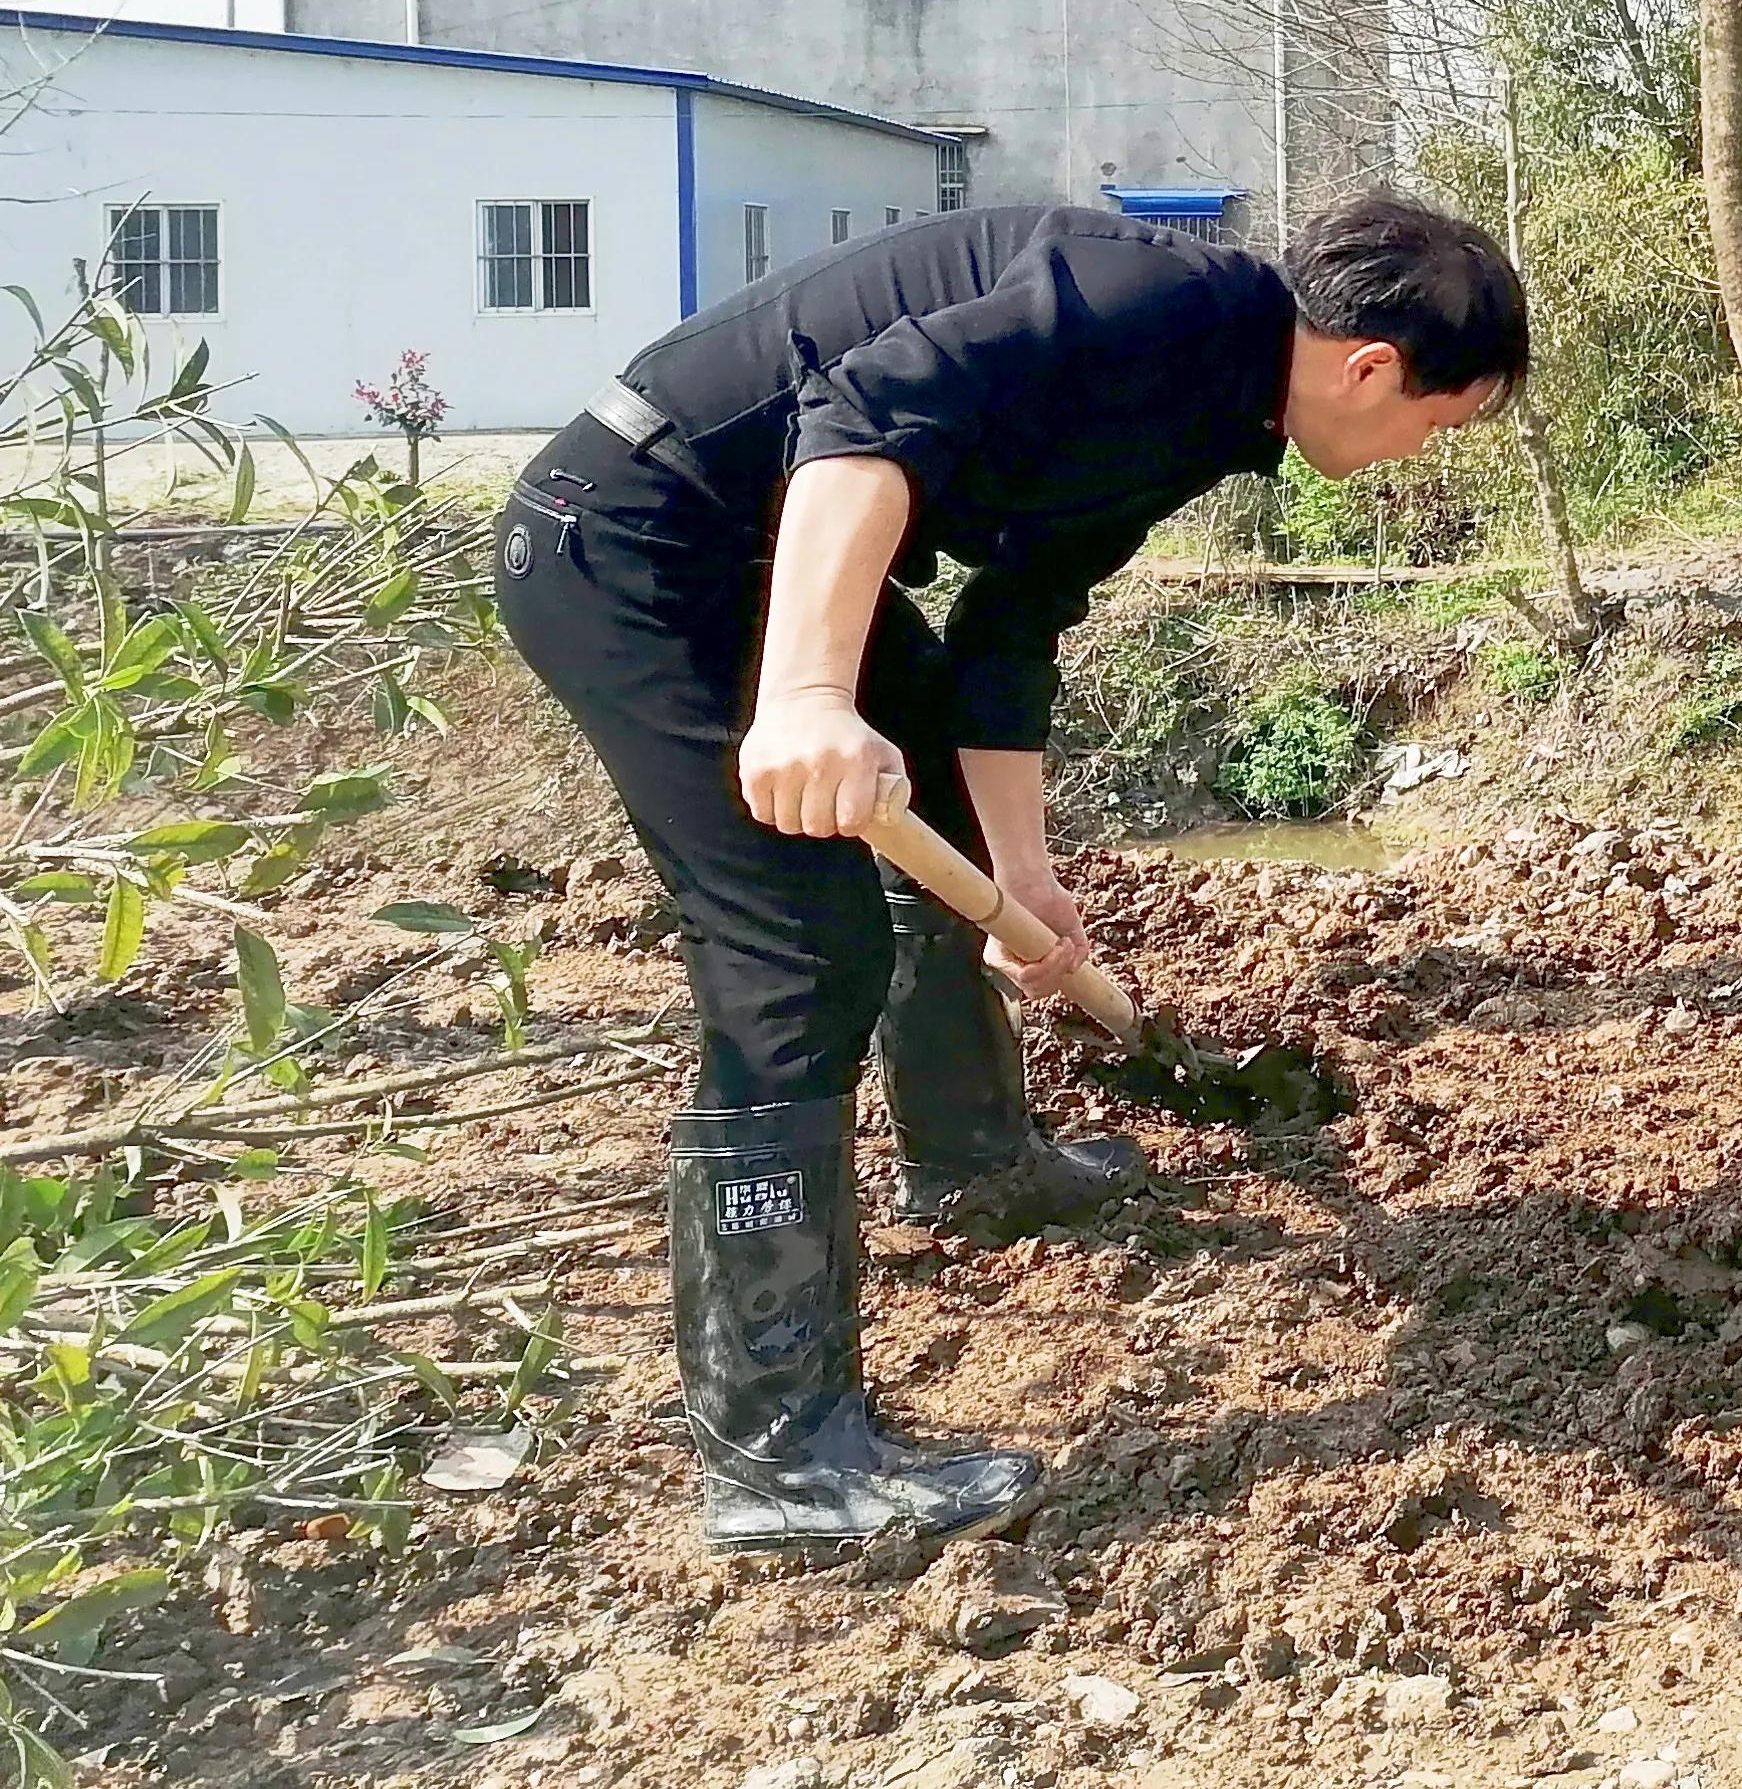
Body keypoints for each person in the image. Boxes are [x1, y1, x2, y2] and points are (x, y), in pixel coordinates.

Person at [496, 192, 1523, 1548]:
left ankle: (976, 1160)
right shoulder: (1149, 306)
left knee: (948, 829)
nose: (1411, 460)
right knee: (800, 953)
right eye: (1431, 431)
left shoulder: (1214, 408)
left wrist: (1022, 877)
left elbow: (1012, 618)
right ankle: (780, 1456)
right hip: (634, 541)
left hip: (749, 553)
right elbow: (859, 416)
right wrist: (807, 690)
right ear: (1373, 369)